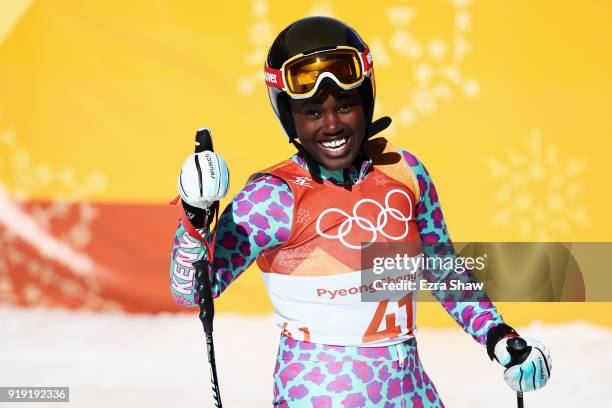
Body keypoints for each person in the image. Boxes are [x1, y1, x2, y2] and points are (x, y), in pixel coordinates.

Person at [170, 16, 551, 408]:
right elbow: (190, 292)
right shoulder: (272, 196)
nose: (332, 124)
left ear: (366, 103)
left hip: (410, 389)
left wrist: (499, 336)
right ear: (289, 117)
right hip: (318, 393)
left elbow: (442, 269)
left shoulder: (404, 171)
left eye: (346, 106)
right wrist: (194, 215)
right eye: (313, 112)